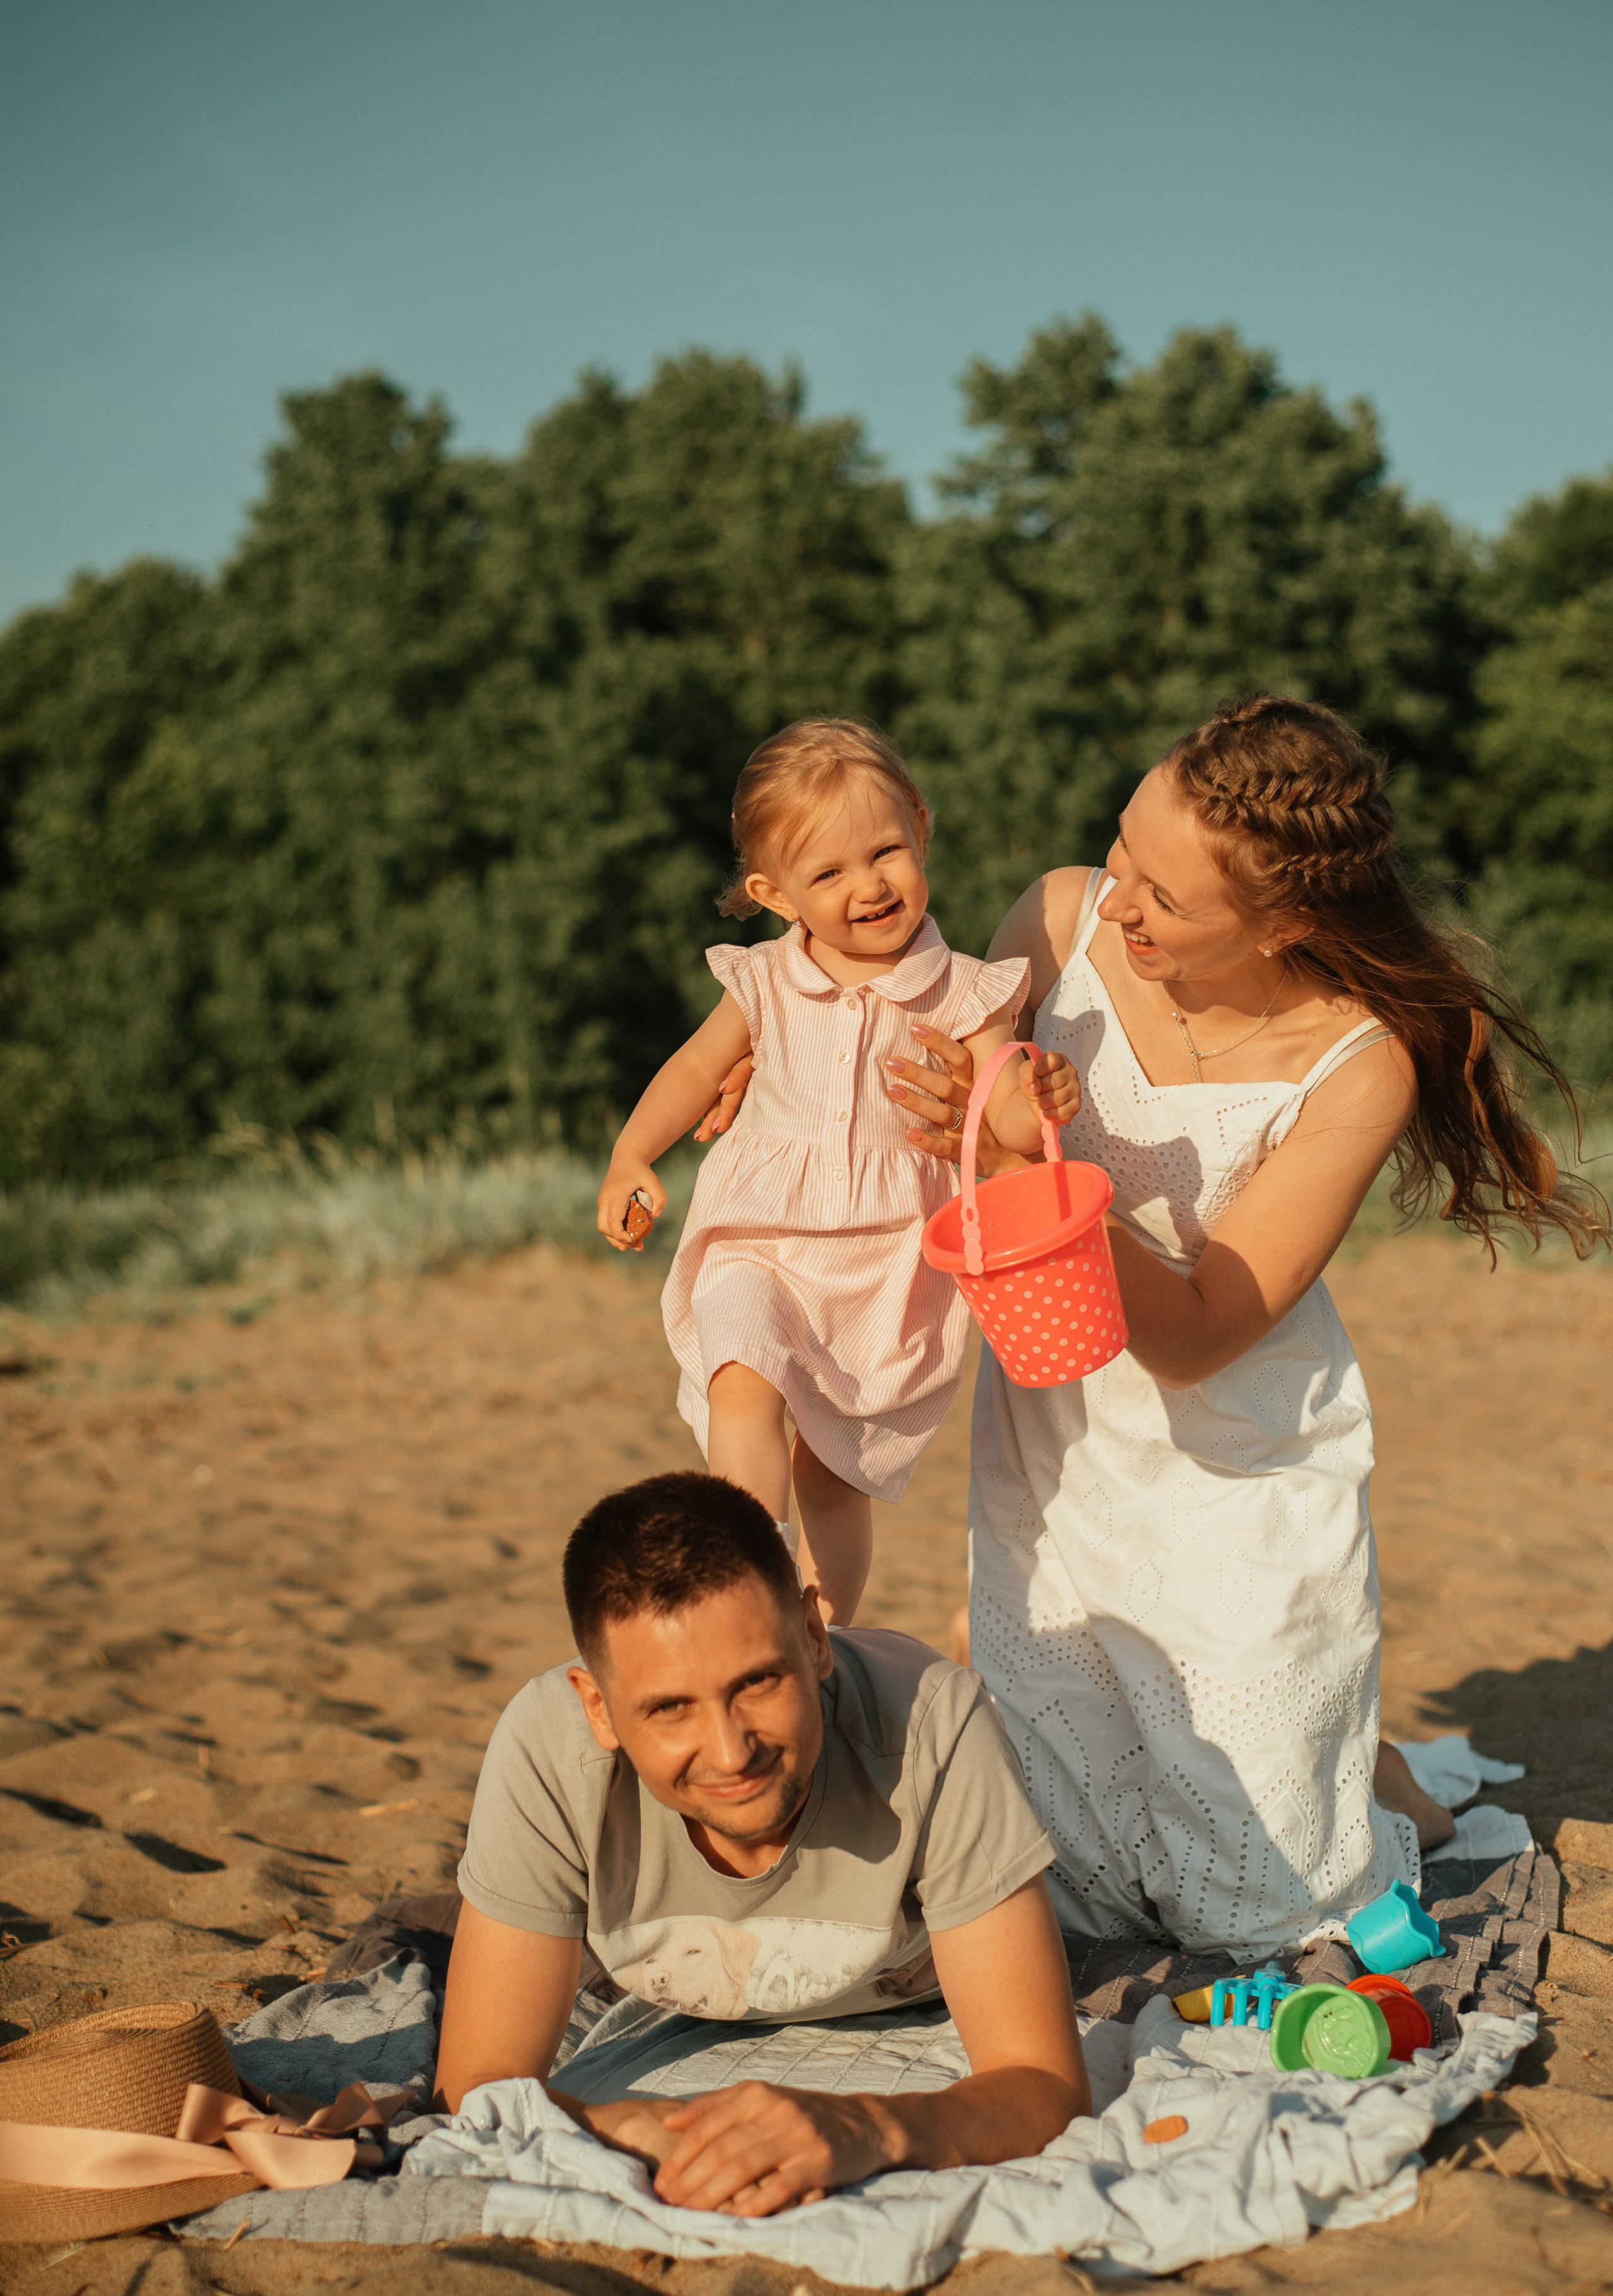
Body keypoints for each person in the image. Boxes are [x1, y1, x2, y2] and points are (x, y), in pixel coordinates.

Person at [703, 694, 1607, 1956]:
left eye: (1164, 897)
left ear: (1284, 923)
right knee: (1078, 1883)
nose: (1119, 899)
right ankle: (1326, 1752)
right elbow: (902, 1039)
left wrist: (1033, 1163)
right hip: (1058, 1427)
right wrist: (779, 1077)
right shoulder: (1060, 918)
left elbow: (1200, 1328)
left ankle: (1378, 1782)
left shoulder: (1358, 1062)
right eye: (1124, 844)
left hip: (1229, 1449)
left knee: (1248, 1911)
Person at [433, 1470, 1088, 2218]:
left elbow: (1042, 2083)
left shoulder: (936, 1724)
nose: (729, 1750)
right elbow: (473, 2089)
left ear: (813, 1638)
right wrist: (627, 2125)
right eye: (670, 1708)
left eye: (757, 1683)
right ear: (599, 1709)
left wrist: (867, 2126)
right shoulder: (548, 1748)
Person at [595, 718, 1078, 1627]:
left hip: (888, 1267)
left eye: (886, 851)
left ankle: (823, 1625)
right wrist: (633, 1151)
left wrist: (1038, 1096)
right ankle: (751, 1568)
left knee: (835, 1466)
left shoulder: (963, 990)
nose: (868, 886)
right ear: (774, 893)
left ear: (921, 829)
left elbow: (1000, 1103)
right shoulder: (765, 984)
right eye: (829, 873)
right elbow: (697, 1069)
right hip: (762, 1236)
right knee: (742, 1371)